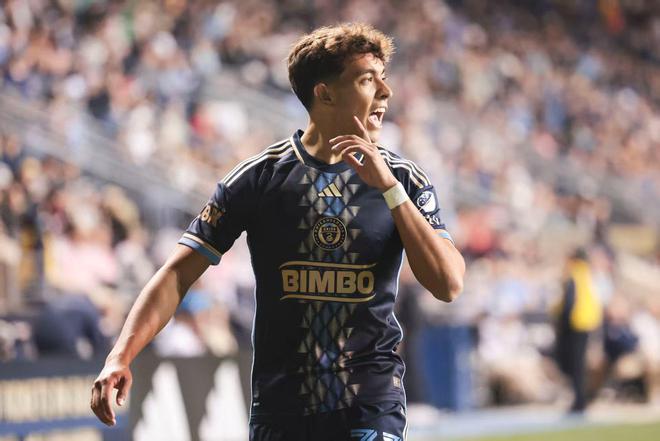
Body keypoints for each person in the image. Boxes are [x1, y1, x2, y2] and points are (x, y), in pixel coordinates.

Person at [90, 23, 465, 440]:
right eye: (366, 80)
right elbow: (178, 273)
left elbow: (448, 283)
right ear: (324, 93)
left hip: (369, 405)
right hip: (281, 410)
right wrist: (120, 354)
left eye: (383, 78)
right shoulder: (258, 178)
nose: (385, 92)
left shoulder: (404, 179)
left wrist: (390, 191)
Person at [555, 248, 603, 414]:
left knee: (575, 365)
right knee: (579, 364)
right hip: (587, 323)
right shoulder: (589, 275)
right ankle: (580, 399)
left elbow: (569, 302)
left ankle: (579, 400)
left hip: (575, 324)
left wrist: (561, 323)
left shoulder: (574, 274)